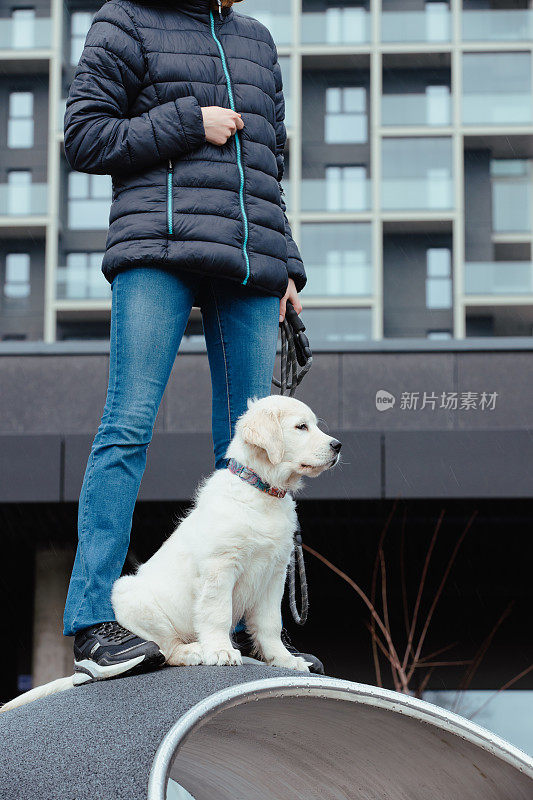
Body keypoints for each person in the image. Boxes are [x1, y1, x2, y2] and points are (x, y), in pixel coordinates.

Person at [62, 0, 324, 681]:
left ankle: (236, 637)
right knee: (127, 426)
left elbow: (270, 165)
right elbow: (84, 137)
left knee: (253, 453)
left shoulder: (256, 40)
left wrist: (285, 262)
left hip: (250, 263)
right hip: (158, 247)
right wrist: (187, 122)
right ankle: (93, 621)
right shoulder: (125, 19)